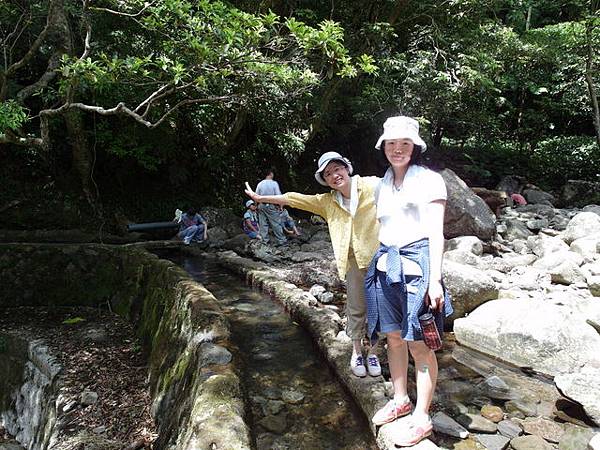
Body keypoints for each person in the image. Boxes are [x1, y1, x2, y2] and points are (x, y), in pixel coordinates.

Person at [245, 152, 382, 378]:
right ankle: (357, 351)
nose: (334, 175)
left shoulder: (371, 185)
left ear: (346, 168)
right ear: (325, 179)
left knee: (379, 309)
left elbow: (400, 188)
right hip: (352, 262)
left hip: (379, 260)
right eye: (328, 173)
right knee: (356, 308)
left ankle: (374, 351)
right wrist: (260, 200)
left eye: (337, 169)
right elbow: (292, 198)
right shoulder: (327, 202)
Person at [365, 116, 453, 446]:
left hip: (417, 271)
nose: (397, 149)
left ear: (415, 147)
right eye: (391, 143)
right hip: (387, 267)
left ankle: (422, 416)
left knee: (419, 343)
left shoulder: (430, 181)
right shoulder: (382, 184)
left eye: (404, 144)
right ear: (383, 147)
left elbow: (435, 232)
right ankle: (401, 398)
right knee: (393, 337)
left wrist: (436, 280)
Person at [255, 169, 288, 245]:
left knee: (263, 224)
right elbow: (278, 195)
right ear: (270, 174)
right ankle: (281, 240)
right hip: (271, 205)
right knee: (276, 223)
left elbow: (256, 196)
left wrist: (256, 205)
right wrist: (281, 206)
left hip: (261, 205)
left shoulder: (260, 184)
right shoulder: (274, 183)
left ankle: (264, 241)